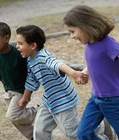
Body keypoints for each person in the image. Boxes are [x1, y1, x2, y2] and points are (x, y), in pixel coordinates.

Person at [15, 24, 88, 140]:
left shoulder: (44, 57)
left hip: (63, 101)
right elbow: (31, 80)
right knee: (39, 131)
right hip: (49, 101)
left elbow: (56, 64)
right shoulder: (30, 60)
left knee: (72, 132)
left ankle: (96, 128)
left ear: (33, 45)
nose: (17, 47)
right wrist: (25, 98)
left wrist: (73, 73)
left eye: (20, 43)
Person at [63, 5, 119, 140]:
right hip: (95, 98)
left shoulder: (108, 44)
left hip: (113, 100)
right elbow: (95, 62)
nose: (72, 36)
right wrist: (85, 72)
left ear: (85, 25)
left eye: (73, 31)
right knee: (83, 134)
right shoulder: (89, 45)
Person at [0, 22, 37, 140]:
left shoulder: (18, 53)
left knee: (13, 115)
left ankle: (38, 112)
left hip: (21, 89)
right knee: (16, 119)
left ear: (6, 38)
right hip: (8, 90)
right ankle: (34, 137)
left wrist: (27, 94)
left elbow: (33, 72)